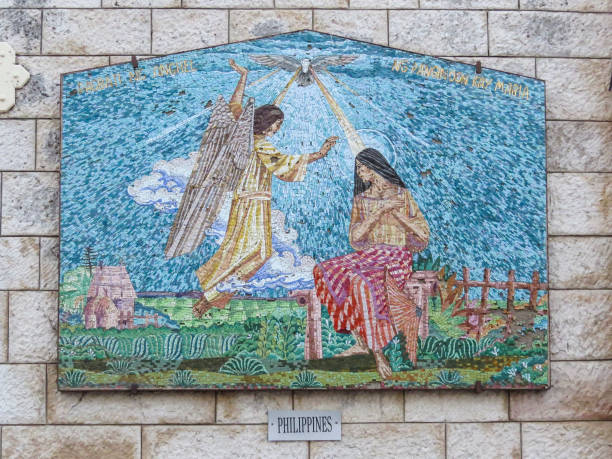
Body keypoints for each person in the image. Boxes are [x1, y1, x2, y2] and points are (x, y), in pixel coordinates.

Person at [193, 59, 338, 317]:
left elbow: (235, 107)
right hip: (251, 202)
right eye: (276, 125)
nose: (276, 130)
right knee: (252, 251)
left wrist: (244, 76)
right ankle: (210, 294)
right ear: (266, 122)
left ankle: (213, 294)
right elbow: (284, 163)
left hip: (254, 201)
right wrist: (319, 153)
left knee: (254, 252)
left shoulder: (248, 139)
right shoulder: (259, 144)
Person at [313, 148, 429, 379]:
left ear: (374, 168)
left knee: (359, 280)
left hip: (396, 257)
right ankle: (361, 342)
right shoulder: (361, 200)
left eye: (361, 167)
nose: (358, 173)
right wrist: (378, 212)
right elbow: (356, 240)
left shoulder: (402, 196)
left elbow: (423, 237)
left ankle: (378, 353)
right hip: (370, 255)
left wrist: (396, 214)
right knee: (325, 270)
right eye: (357, 168)